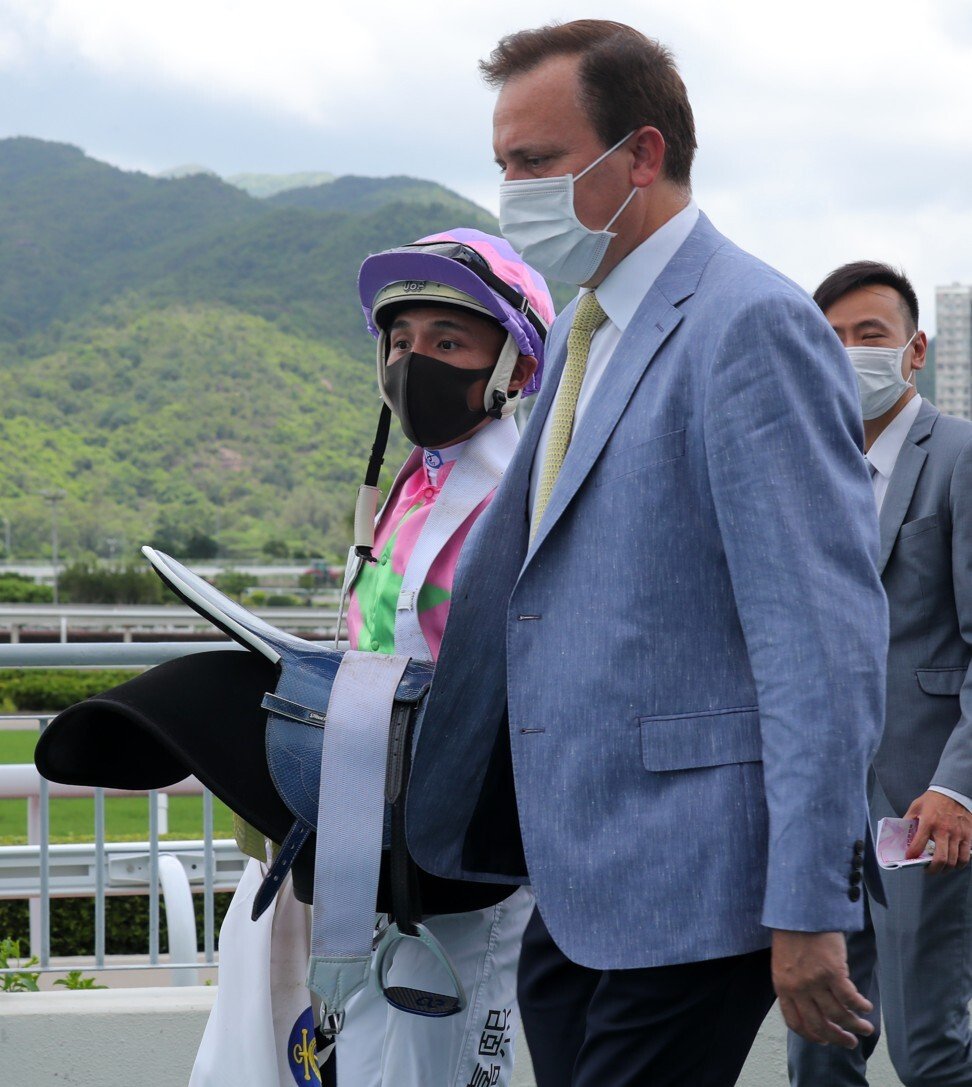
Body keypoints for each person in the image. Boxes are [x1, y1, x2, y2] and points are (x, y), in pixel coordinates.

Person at [404, 20, 888, 1087]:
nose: (513, 192)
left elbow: (822, 640)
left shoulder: (747, 324)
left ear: (643, 155)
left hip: (696, 885)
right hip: (576, 893)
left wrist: (812, 906)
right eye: (503, 166)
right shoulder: (591, 330)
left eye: (536, 162)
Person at [189, 228, 555, 1087]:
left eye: (448, 341)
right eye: (400, 341)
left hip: (462, 844)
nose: (412, 360)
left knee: (436, 1059)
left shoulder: (528, 495)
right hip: (364, 818)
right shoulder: (410, 482)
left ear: (514, 368)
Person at [787, 262, 972, 1087]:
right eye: (830, 340)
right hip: (821, 809)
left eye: (870, 335)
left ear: (915, 349)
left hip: (924, 804)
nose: (850, 353)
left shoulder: (959, 456)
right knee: (820, 1044)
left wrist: (959, 787)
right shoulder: (806, 466)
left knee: (930, 1048)